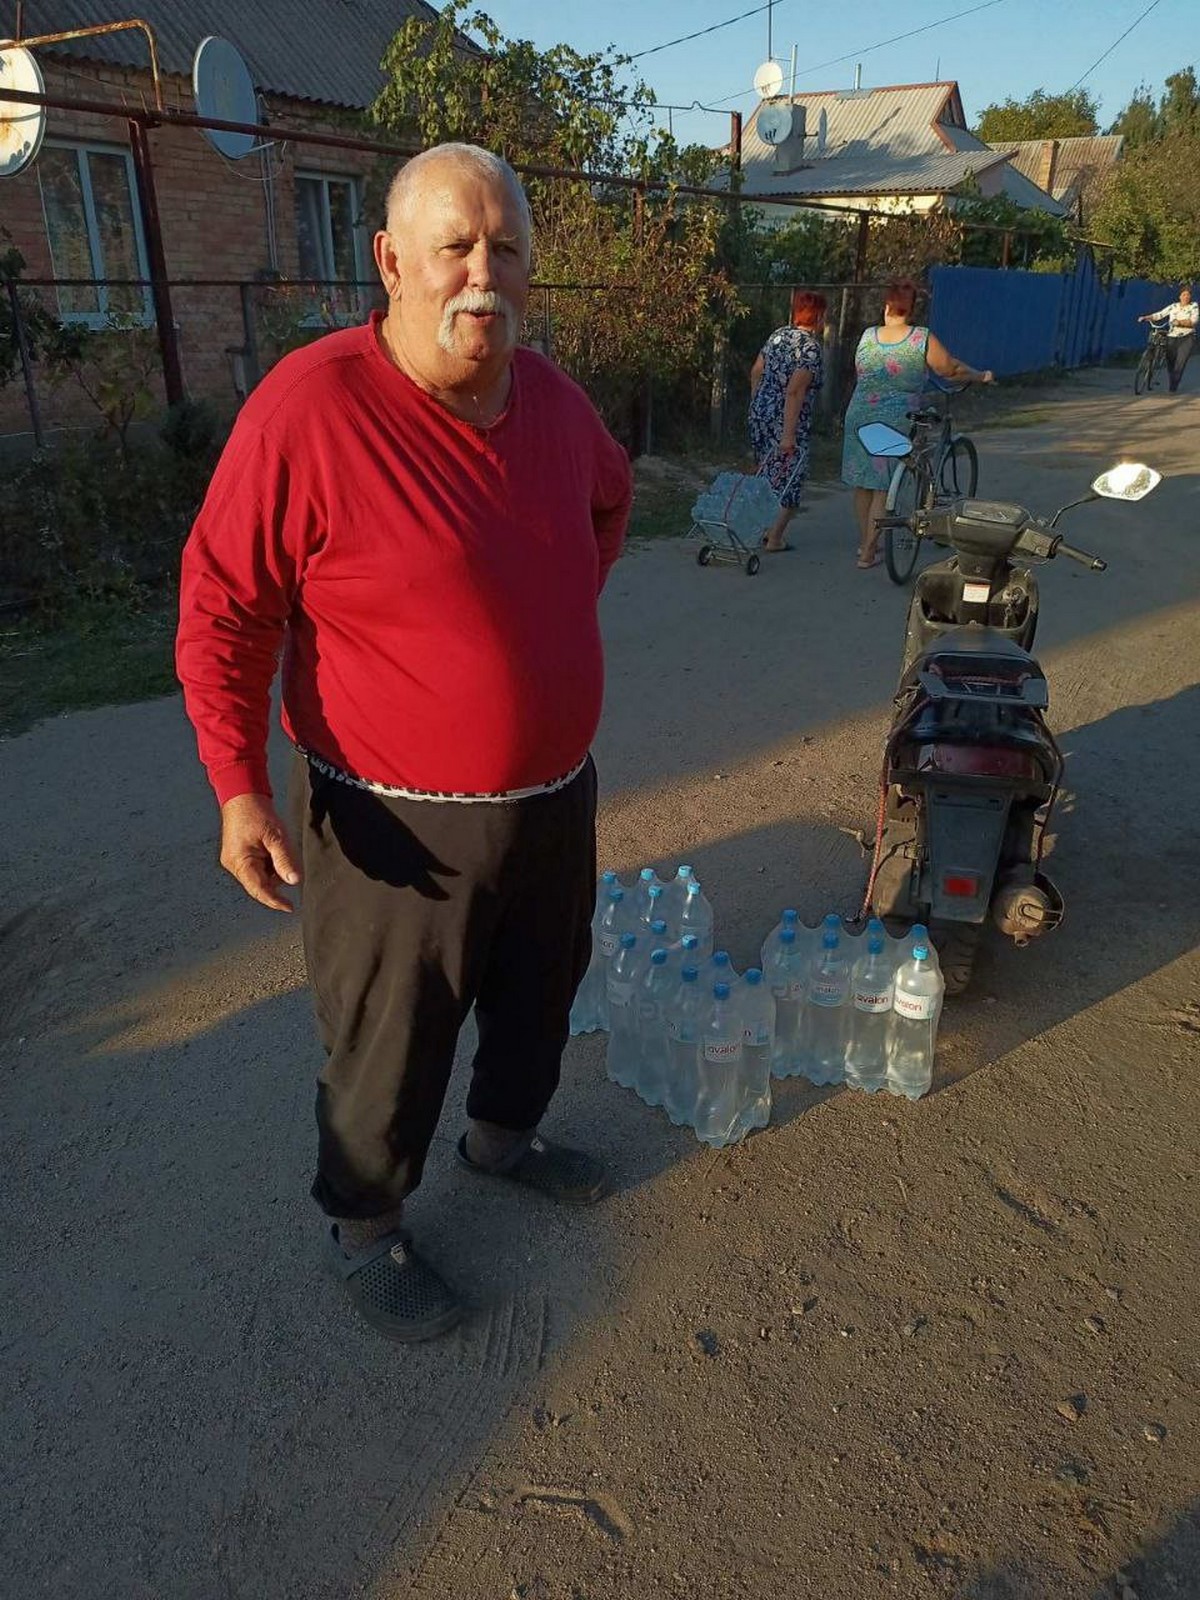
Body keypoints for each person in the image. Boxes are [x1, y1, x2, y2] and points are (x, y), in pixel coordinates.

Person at [176, 144, 633, 1345]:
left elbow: (608, 500)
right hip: (391, 815)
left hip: (554, 795)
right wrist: (236, 785)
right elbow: (225, 605)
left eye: (508, 247)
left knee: (541, 993)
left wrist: (543, 629)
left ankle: (503, 1139)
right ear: (390, 260)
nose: (484, 272)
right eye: (456, 246)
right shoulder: (311, 408)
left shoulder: (557, 404)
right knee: (391, 1037)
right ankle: (366, 1227)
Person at [841, 277, 993, 570]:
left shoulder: (868, 335)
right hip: (896, 417)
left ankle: (866, 543)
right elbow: (948, 369)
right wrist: (979, 376)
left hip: (859, 412)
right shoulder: (920, 338)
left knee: (863, 483)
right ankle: (868, 552)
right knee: (883, 485)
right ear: (911, 310)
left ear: (887, 305)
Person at [747, 289, 827, 552]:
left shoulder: (778, 336)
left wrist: (756, 406)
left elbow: (756, 371)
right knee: (790, 477)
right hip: (788, 420)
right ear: (819, 317)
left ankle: (761, 527)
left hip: (761, 413)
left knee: (766, 473)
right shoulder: (810, 349)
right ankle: (775, 537)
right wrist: (788, 434)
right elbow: (795, 390)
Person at [1138, 285, 1198, 393]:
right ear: (1179, 296)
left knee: (1180, 362)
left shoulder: (1193, 306)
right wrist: (1146, 318)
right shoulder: (1173, 307)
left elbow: (1194, 321)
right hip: (1172, 336)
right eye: (1184, 295)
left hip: (1187, 337)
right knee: (1170, 362)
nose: (1186, 297)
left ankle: (1173, 386)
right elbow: (1160, 314)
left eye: (1188, 295)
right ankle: (1172, 379)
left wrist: (1179, 322)